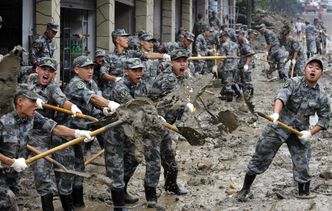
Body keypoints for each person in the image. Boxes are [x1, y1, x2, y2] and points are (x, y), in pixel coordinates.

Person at [236, 57, 330, 202]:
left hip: (299, 132)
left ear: (321, 74)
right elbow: (281, 97)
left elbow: (325, 119)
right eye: (310, 66)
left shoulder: (322, 96)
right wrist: (276, 113)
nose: (313, 70)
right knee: (260, 156)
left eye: (317, 68)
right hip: (279, 125)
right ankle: (245, 189)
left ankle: (303, 193)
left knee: (303, 161)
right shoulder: (293, 83)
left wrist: (310, 132)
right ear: (305, 69)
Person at [0, 88, 93, 211]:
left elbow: (55, 128)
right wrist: (11, 162)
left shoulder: (32, 117)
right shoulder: (4, 123)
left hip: (15, 176)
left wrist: (77, 133)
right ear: (20, 101)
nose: (35, 105)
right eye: (32, 101)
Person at [53, 55, 120, 210]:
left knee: (79, 167)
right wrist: (110, 104)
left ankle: (79, 203)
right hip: (67, 135)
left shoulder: (92, 83)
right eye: (86, 68)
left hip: (83, 133)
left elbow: (97, 102)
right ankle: (68, 206)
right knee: (67, 171)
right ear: (77, 70)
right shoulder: (75, 84)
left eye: (91, 68)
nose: (90, 71)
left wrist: (105, 109)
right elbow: (93, 99)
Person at [24, 57, 83, 211]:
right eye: (44, 69)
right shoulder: (28, 80)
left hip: (53, 132)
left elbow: (62, 100)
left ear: (54, 74)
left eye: (50, 71)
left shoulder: (52, 87)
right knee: (42, 175)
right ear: (37, 69)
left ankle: (68, 206)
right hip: (36, 137)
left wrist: (73, 107)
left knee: (65, 170)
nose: (46, 73)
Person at [107, 58, 164, 210]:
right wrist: (154, 117)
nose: (139, 73)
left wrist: (156, 113)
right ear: (126, 71)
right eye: (135, 70)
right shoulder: (120, 88)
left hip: (133, 133)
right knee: (116, 168)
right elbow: (136, 108)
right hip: (117, 134)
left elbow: (148, 102)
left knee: (132, 162)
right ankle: (118, 206)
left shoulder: (141, 86)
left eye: (140, 70)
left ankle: (124, 192)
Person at [149, 49, 195, 196]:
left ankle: (170, 186)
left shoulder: (184, 74)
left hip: (168, 122)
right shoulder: (168, 79)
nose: (182, 63)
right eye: (178, 61)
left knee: (169, 156)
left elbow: (188, 91)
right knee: (152, 161)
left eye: (184, 61)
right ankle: (146, 194)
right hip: (155, 122)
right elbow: (179, 99)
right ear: (171, 63)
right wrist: (187, 105)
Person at [218, 31, 239, 101]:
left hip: (227, 67)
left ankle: (229, 99)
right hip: (235, 66)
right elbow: (238, 55)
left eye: (222, 38)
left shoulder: (224, 45)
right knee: (233, 81)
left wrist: (218, 66)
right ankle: (237, 94)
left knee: (227, 83)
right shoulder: (236, 45)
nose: (221, 39)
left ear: (225, 37)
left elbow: (222, 57)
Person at [237, 30, 255, 103]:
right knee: (242, 81)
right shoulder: (240, 42)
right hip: (241, 63)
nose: (237, 37)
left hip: (246, 64)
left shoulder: (245, 43)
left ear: (242, 35)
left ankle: (249, 96)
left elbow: (250, 55)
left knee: (247, 81)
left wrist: (246, 65)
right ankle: (244, 95)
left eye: (238, 36)